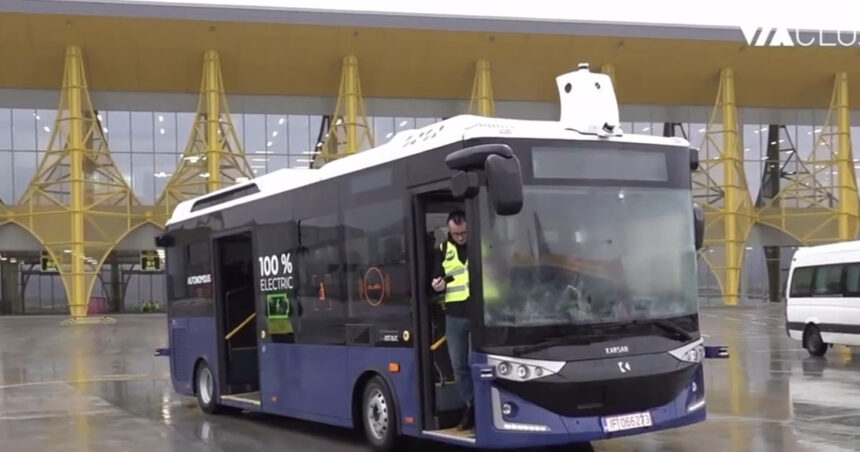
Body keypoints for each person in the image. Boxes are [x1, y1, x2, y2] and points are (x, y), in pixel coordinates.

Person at [431, 210, 474, 431]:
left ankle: (483, 409)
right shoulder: (442, 250)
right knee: (459, 365)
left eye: (464, 232)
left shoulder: (480, 244)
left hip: (479, 314)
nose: (460, 237)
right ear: (449, 231)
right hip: (455, 315)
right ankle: (471, 406)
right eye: (456, 233)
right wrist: (437, 285)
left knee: (476, 362)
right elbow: (436, 277)